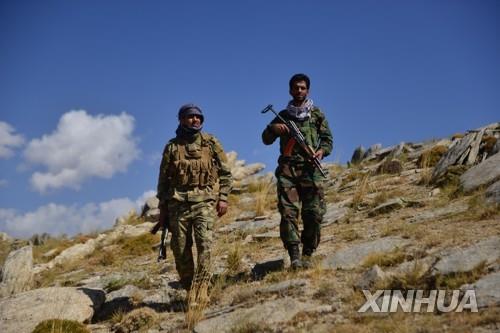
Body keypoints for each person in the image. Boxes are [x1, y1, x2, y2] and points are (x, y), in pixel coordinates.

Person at [156, 104, 232, 289]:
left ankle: (203, 287)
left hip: (204, 202)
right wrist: (163, 208)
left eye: (198, 117)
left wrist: (223, 198)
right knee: (181, 249)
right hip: (178, 204)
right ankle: (190, 287)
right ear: (181, 120)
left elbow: (226, 173)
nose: (195, 119)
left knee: (205, 245)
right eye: (190, 117)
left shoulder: (210, 142)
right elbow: (163, 179)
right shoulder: (172, 147)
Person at [261, 73, 333, 269]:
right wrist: (274, 129)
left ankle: (308, 254)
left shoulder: (316, 114)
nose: (299, 91)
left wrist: (320, 152)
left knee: (314, 213)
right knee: (288, 214)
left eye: (302, 88)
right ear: (290, 90)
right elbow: (265, 140)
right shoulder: (283, 116)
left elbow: (328, 141)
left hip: (311, 170)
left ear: (307, 90)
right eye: (296, 88)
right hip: (288, 171)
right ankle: (294, 256)